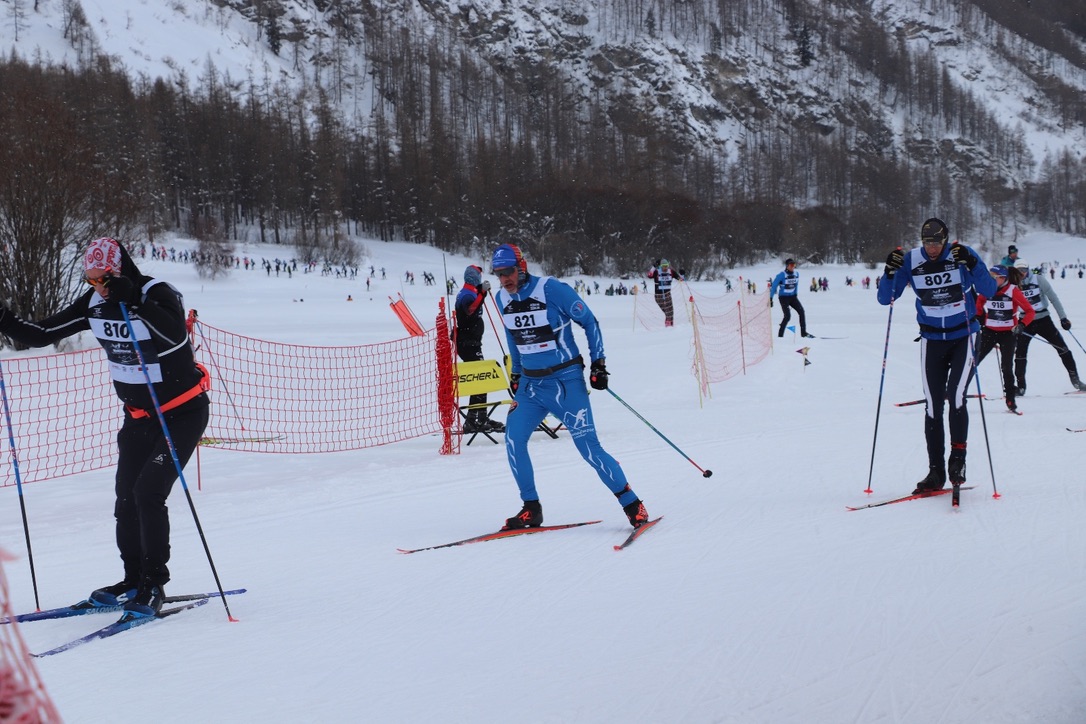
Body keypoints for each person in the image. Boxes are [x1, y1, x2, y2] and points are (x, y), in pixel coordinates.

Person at [0, 238, 209, 619]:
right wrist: (4, 318)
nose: (98, 287)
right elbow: (41, 334)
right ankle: (132, 579)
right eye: (91, 279)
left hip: (181, 414)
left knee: (148, 493)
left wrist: (136, 304)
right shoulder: (95, 302)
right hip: (138, 417)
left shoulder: (155, 293)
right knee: (126, 499)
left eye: (104, 279)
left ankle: (153, 583)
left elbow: (174, 336)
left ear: (120, 270)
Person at [491, 243, 649, 529]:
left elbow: (590, 322)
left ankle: (631, 503)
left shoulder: (552, 289)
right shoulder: (501, 298)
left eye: (509, 272)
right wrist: (515, 373)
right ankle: (531, 508)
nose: (504, 279)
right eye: (499, 274)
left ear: (522, 267)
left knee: (588, 447)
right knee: (513, 439)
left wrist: (598, 363)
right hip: (531, 386)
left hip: (565, 382)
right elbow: (512, 336)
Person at [877, 218, 997, 493]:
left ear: (945, 240)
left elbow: (989, 290)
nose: (932, 248)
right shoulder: (911, 260)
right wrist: (890, 272)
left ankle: (958, 461)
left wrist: (973, 264)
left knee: (956, 396)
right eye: (928, 243)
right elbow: (886, 299)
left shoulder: (961, 254)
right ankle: (936, 471)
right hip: (932, 340)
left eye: (937, 243)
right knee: (932, 404)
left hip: (964, 336)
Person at [1012, 258, 1086, 395]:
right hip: (1025, 322)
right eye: (1018, 270)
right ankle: (1021, 387)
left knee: (1063, 349)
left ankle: (1076, 381)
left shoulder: (1039, 279)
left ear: (1028, 269)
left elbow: (1053, 298)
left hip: (1043, 319)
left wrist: (1063, 318)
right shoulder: (1013, 284)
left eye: (1024, 270)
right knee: (1020, 354)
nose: (1022, 273)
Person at [975, 265, 1035, 412]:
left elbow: (1030, 311)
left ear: (1003, 278)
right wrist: (979, 318)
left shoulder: (1013, 290)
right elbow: (979, 304)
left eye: (994, 278)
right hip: (989, 331)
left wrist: (1021, 325)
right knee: (973, 361)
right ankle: (955, 391)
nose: (991, 280)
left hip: (1008, 333)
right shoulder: (987, 289)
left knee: (1007, 367)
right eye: (990, 277)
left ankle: (1010, 399)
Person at [453, 264, 503, 434]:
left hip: (471, 343)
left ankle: (479, 417)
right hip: (468, 344)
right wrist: (482, 293)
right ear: (473, 277)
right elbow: (470, 311)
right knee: (481, 379)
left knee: (481, 380)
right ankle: (474, 420)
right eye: (478, 277)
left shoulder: (470, 292)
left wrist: (481, 292)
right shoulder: (467, 295)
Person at [770, 258, 815, 338]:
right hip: (783, 298)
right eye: (791, 265)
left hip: (793, 297)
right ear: (787, 266)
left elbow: (796, 285)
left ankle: (803, 333)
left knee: (801, 312)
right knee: (787, 316)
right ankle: (780, 335)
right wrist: (770, 298)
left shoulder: (796, 274)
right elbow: (774, 286)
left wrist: (795, 294)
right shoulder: (781, 275)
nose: (793, 267)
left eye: (794, 265)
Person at [647, 259, 683, 326]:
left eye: (666, 266)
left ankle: (670, 326)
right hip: (658, 295)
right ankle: (669, 326)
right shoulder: (657, 272)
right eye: (664, 266)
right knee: (667, 312)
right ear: (661, 266)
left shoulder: (671, 272)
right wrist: (654, 267)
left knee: (670, 311)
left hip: (667, 294)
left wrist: (682, 274)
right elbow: (649, 275)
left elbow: (680, 279)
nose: (665, 268)